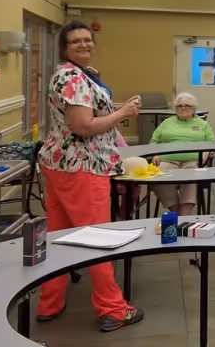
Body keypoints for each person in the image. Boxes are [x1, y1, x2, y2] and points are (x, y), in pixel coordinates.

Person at [35, 21, 144, 332]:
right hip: (82, 166)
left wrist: (119, 108)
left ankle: (49, 302)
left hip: (60, 164)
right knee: (97, 238)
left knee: (61, 235)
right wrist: (121, 115)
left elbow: (86, 115)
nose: (83, 44)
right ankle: (112, 308)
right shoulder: (73, 77)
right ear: (64, 48)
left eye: (87, 40)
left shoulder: (71, 74)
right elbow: (82, 126)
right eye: (75, 41)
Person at [149, 92, 215, 216]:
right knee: (157, 175)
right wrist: (155, 153)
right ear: (175, 108)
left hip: (193, 160)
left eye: (187, 106)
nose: (183, 108)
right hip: (167, 160)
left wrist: (206, 153)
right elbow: (154, 141)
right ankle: (176, 212)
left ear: (193, 109)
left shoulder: (202, 124)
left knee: (191, 174)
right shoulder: (167, 123)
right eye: (179, 106)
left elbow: (211, 143)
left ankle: (184, 214)